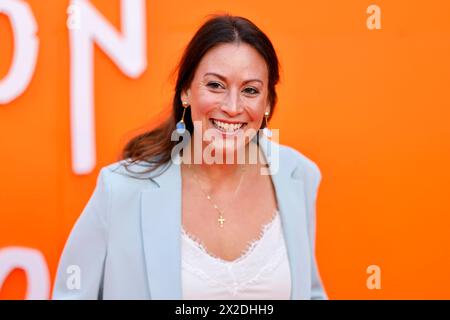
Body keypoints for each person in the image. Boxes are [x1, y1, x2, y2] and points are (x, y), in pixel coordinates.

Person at [52, 14, 327, 300]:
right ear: (186, 91)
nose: (232, 107)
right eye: (215, 85)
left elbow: (309, 292)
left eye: (250, 90)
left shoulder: (298, 176)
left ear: (268, 102)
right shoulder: (121, 190)